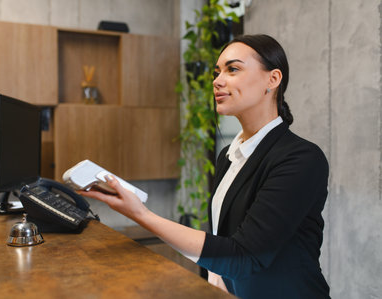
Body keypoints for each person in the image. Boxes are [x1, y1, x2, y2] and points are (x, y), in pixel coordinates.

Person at [80, 34, 331, 299]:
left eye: (232, 69)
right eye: (217, 71)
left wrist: (142, 215)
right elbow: (224, 241)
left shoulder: (301, 158)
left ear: (273, 79)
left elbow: (245, 257)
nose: (217, 80)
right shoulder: (228, 156)